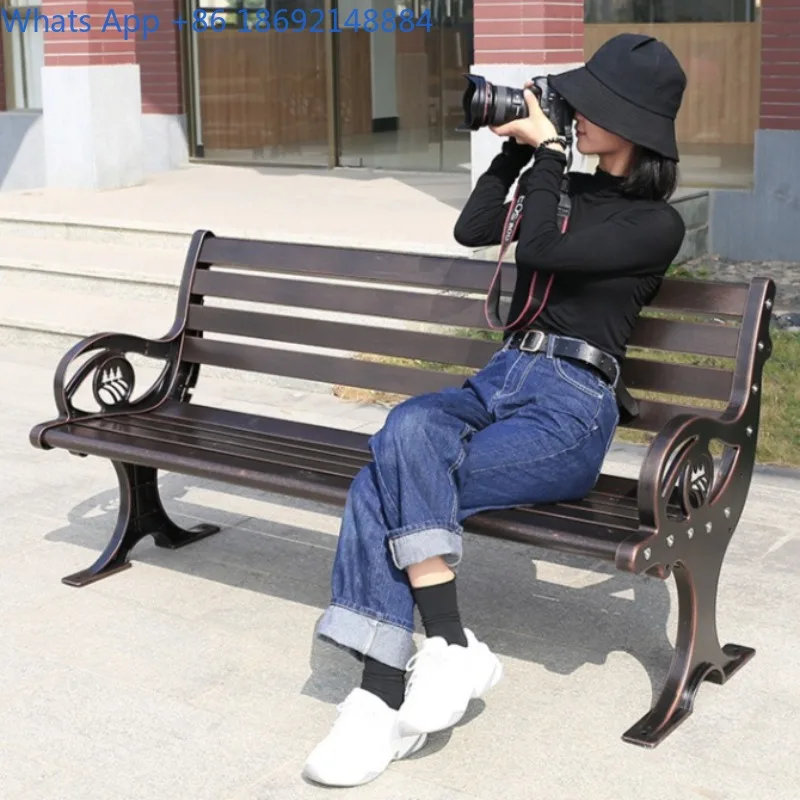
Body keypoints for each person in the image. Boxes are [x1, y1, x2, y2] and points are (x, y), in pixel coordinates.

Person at [302, 33, 688, 787]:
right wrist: (515, 151)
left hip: (569, 409)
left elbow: (542, 250)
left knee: (382, 482)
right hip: (502, 378)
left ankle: (379, 697)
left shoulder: (655, 224)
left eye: (592, 103)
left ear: (633, 123)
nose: (574, 111)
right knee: (408, 427)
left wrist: (547, 155)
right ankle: (449, 649)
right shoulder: (565, 182)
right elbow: (475, 229)